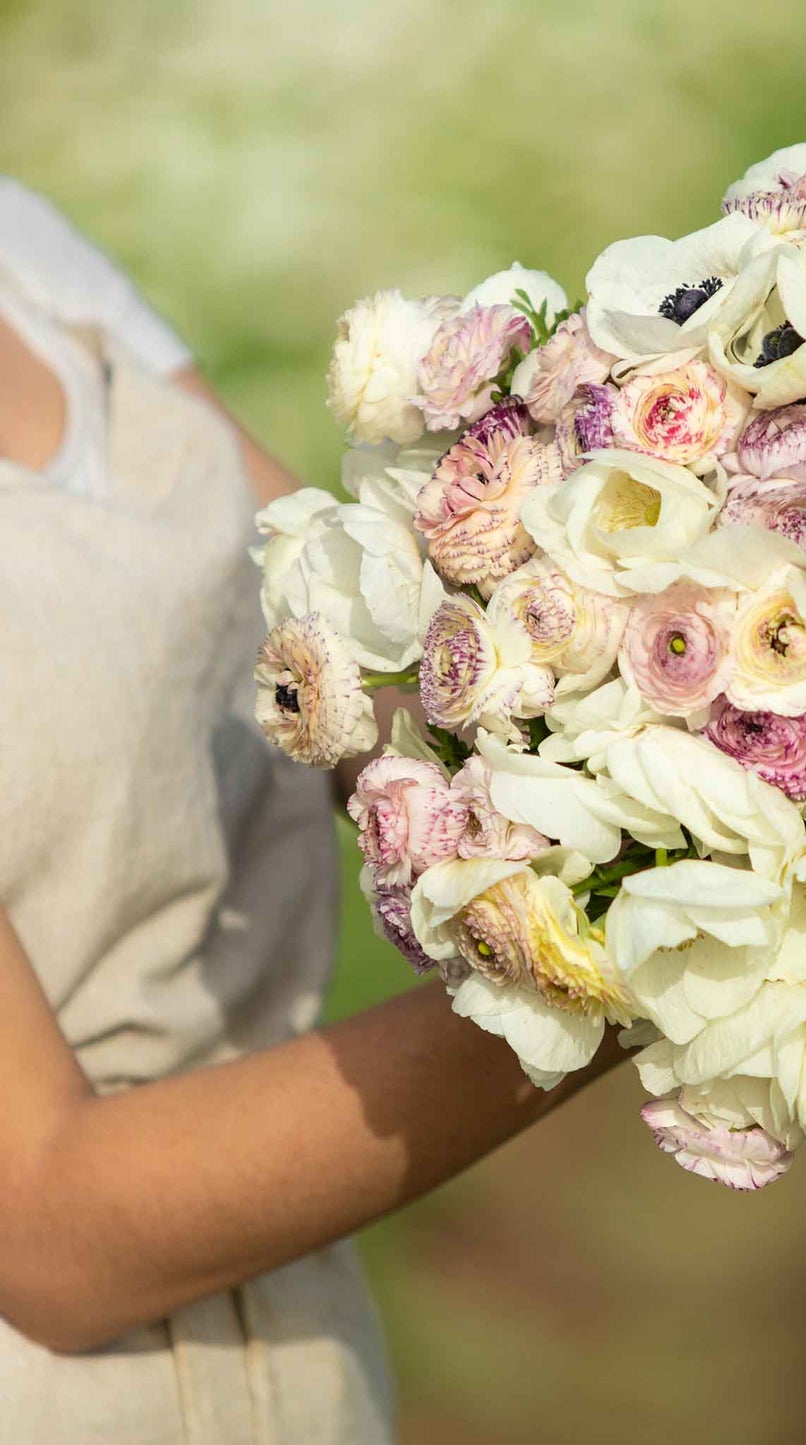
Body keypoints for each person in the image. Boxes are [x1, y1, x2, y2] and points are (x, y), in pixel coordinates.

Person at [0, 175, 618, 1443]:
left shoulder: (21, 242)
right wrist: (642, 963)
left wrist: (725, 703)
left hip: (292, 1349)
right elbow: (49, 1226)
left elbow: (336, 646)